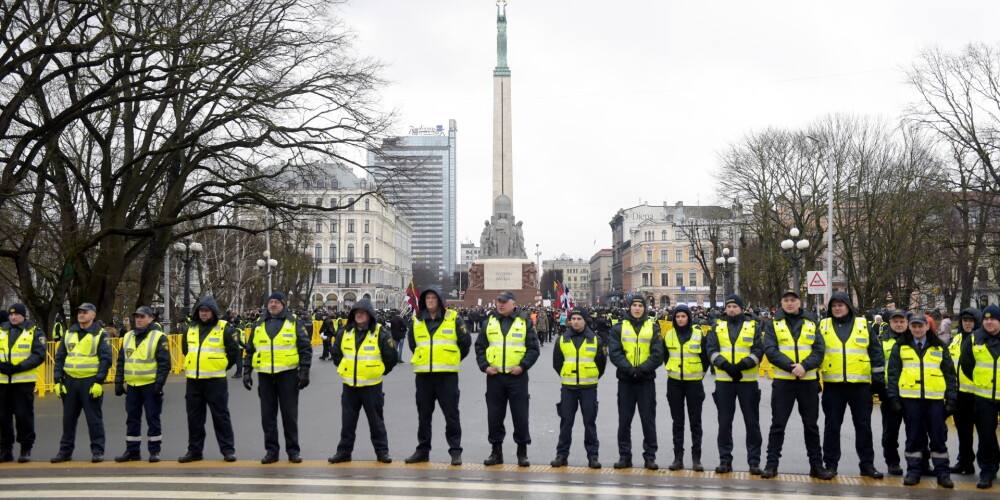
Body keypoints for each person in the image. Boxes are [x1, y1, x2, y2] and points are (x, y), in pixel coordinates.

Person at [760, 290, 833, 480]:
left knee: (811, 426)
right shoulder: (773, 323)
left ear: (799, 302)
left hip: (807, 382)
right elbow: (770, 349)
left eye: (793, 300)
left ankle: (816, 466)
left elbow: (819, 349)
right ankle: (771, 465)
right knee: (778, 425)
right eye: (786, 300)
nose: (790, 303)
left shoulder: (811, 322)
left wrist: (805, 366)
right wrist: (792, 367)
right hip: (784, 382)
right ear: (781, 303)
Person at [818, 292, 884, 478]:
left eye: (841, 305)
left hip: (860, 387)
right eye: (834, 305)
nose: (838, 308)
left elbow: (876, 352)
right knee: (832, 427)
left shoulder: (863, 325)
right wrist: (814, 379)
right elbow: (815, 353)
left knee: (863, 427)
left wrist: (878, 380)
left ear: (848, 306)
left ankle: (867, 466)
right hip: (833, 386)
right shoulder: (823, 326)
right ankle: (830, 465)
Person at [242, 292, 312, 464]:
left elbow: (305, 348)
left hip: (287, 376)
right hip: (265, 377)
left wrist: (304, 371)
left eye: (276, 302)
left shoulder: (294, 323)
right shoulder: (259, 324)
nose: (273, 305)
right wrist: (246, 371)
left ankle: (293, 451)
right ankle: (271, 451)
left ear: (283, 304)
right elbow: (250, 349)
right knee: (267, 417)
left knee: (289, 416)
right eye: (270, 302)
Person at [404, 286, 471, 466]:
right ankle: (422, 450)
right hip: (424, 376)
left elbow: (465, 343)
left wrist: (452, 358)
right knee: (423, 416)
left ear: (440, 300)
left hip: (447, 376)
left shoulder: (453, 318)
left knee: (451, 415)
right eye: (428, 298)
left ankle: (455, 451)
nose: (431, 301)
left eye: (434, 298)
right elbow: (413, 344)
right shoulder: (417, 321)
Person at [888, 313, 956, 488]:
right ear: (910, 327)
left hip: (934, 401)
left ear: (927, 327)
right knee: (913, 438)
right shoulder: (901, 346)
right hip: (910, 401)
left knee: (938, 439)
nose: (917, 329)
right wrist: (894, 399)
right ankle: (913, 472)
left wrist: (951, 400)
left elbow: (949, 375)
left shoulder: (939, 347)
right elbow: (893, 375)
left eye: (920, 326)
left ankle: (943, 474)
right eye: (914, 326)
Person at [328, 298, 397, 464]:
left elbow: (391, 357)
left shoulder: (380, 332)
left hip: (371, 386)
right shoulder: (345, 332)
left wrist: (379, 371)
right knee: (348, 423)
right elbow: (336, 353)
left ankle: (382, 452)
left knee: (376, 423)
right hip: (350, 386)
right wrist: (345, 369)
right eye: (357, 313)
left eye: (363, 313)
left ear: (369, 315)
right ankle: (344, 452)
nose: (359, 315)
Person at [475, 291, 540, 467]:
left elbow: (533, 348)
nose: (500, 304)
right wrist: (485, 366)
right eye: (498, 301)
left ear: (513, 304)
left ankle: (522, 453)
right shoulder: (489, 322)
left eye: (504, 301)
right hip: (495, 377)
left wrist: (523, 366)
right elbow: (480, 347)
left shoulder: (524, 322)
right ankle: (496, 452)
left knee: (520, 416)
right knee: (494, 416)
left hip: (517, 377)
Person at [705, 294, 763, 475]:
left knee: (752, 424)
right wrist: (726, 366)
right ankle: (725, 460)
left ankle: (754, 462)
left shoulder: (752, 326)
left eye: (735, 307)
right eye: (729, 307)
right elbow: (711, 349)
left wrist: (742, 366)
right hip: (724, 382)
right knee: (724, 424)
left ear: (741, 308)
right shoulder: (717, 326)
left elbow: (758, 350)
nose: (731, 310)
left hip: (747, 382)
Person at [179, 296, 240, 463]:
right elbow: (186, 350)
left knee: (221, 417)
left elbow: (234, 353)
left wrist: (221, 366)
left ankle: (228, 450)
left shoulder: (225, 329)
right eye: (201, 310)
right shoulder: (189, 329)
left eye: (206, 311)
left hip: (215, 381)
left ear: (213, 312)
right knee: (194, 418)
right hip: (194, 381)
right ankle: (194, 451)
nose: (203, 313)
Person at [51, 302, 113, 463]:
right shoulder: (69, 333)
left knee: (94, 419)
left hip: (90, 382)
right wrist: (57, 380)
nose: (81, 314)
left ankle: (97, 451)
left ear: (93, 315)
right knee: (68, 419)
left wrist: (99, 381)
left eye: (85, 312)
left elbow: (106, 360)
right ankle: (65, 451)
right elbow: (60, 358)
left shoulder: (100, 334)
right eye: (79, 312)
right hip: (70, 381)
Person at [608, 296, 663, 470]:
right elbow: (615, 353)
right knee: (624, 421)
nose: (637, 309)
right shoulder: (619, 328)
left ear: (645, 308)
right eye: (634, 305)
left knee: (648, 421)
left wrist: (642, 369)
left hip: (646, 381)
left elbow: (658, 354)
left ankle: (650, 456)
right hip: (626, 380)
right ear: (629, 307)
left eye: (640, 306)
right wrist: (630, 370)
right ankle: (625, 456)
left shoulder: (653, 327)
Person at [551, 307, 607, 469]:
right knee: (566, 422)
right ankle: (561, 455)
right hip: (568, 387)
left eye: (579, 319)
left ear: (585, 320)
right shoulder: (562, 339)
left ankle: (593, 457)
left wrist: (591, 376)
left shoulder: (595, 339)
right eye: (573, 319)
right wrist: (566, 375)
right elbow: (557, 363)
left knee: (590, 422)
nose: (575, 321)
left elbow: (601, 364)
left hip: (588, 388)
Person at [113, 306, 170, 463]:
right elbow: (121, 362)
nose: (138, 319)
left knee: (153, 418)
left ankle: (154, 451)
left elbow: (164, 364)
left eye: (142, 316)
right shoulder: (128, 336)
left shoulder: (159, 337)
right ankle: (132, 451)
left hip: (151, 386)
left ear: (151, 318)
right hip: (132, 386)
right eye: (137, 316)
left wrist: (159, 385)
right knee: (132, 419)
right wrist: (118, 383)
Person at [663, 304, 709, 472]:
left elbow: (705, 357)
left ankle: (696, 459)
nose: (680, 319)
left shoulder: (698, 334)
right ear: (674, 319)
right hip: (674, 383)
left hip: (694, 384)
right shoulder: (668, 335)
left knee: (695, 422)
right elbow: (665, 356)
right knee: (678, 422)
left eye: (683, 316)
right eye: (677, 317)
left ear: (689, 317)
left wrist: (700, 373)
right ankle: (678, 458)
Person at [0, 303, 46, 463]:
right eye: (11, 315)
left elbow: (39, 355)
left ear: (23, 315)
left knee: (23, 417)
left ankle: (25, 449)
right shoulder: (1, 330)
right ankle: (5, 450)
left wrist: (19, 367)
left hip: (23, 382)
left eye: (16, 314)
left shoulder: (33, 331)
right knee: (3, 418)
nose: (13, 317)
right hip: (2, 382)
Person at [961, 304, 1000, 489]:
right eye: (986, 319)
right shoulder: (974, 339)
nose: (989, 321)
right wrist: (981, 381)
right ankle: (987, 471)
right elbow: (967, 365)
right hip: (984, 397)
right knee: (986, 437)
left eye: (993, 318)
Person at [949, 307, 980, 475]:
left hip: (978, 394)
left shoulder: (983, 339)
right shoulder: (957, 339)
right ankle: (965, 462)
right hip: (959, 395)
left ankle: (989, 466)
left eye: (971, 321)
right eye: (965, 321)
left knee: (986, 434)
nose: (968, 324)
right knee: (964, 431)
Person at [877, 309, 909, 475]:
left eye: (901, 321)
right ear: (889, 323)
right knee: (890, 433)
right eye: (895, 321)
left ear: (907, 323)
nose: (898, 324)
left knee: (917, 433)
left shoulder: (915, 340)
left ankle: (920, 463)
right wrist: (882, 389)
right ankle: (892, 462)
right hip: (890, 394)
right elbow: (877, 367)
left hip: (912, 394)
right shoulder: (882, 341)